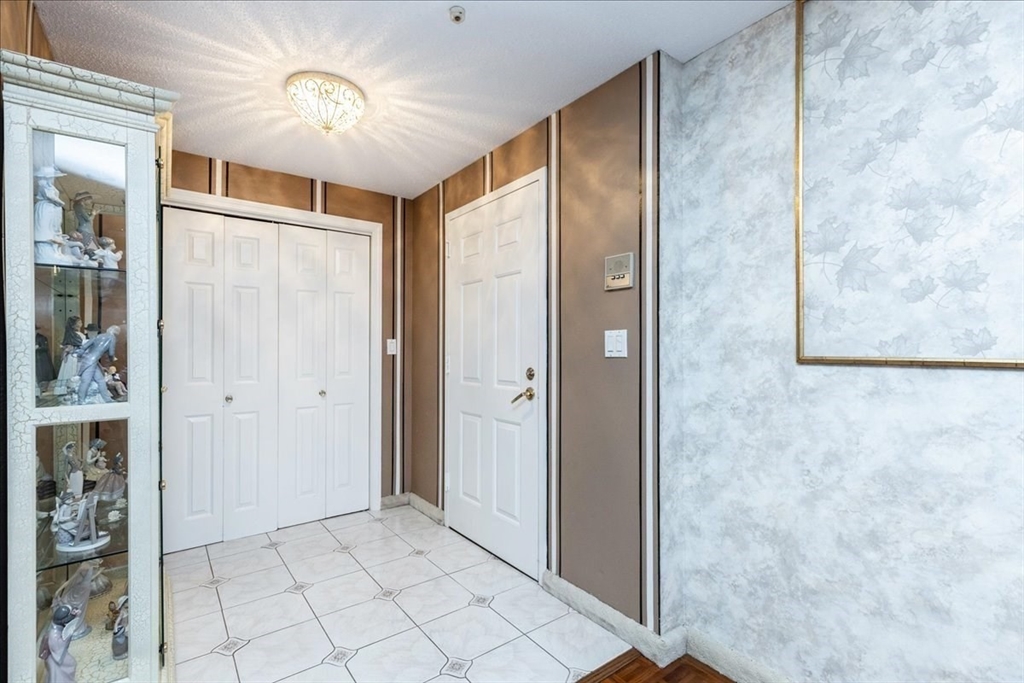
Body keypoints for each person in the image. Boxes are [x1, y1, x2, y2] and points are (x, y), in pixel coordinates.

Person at [33, 166, 70, 265]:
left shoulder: (49, 185)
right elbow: (51, 196)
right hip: (46, 208)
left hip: (51, 208)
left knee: (53, 228)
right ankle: (45, 253)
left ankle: (55, 252)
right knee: (44, 228)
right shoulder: (44, 185)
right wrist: (61, 203)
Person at [74, 325, 119, 404]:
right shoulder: (112, 338)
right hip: (92, 361)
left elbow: (85, 346)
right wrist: (112, 359)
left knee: (100, 380)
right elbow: (111, 352)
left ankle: (107, 399)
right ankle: (80, 401)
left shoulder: (99, 336)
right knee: (86, 381)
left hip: (89, 359)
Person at [39, 605, 77, 683]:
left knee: (71, 663)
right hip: (56, 656)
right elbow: (58, 647)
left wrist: (73, 615)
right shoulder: (54, 635)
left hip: (57, 654)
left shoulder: (56, 627)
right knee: (70, 664)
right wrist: (68, 636)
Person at [53, 317, 84, 397]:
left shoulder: (68, 334)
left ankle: (65, 388)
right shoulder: (77, 335)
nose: (81, 323)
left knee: (67, 371)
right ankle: (73, 387)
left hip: (69, 357)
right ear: (74, 324)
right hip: (75, 357)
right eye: (79, 322)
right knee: (73, 371)